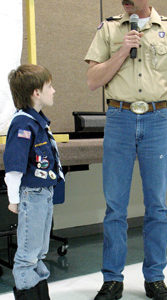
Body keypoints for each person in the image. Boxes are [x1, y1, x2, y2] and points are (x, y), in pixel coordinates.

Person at [85, 1, 167, 299]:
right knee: (115, 206)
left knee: (157, 205)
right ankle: (112, 280)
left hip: (156, 121)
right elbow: (93, 80)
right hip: (119, 118)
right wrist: (121, 50)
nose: (126, 2)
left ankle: (155, 278)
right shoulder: (110, 28)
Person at [3, 64, 64, 300]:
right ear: (36, 92)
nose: (54, 91)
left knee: (39, 252)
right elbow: (14, 167)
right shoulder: (22, 123)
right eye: (49, 86)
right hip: (32, 193)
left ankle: (40, 295)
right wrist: (14, 199)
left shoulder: (37, 121)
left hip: (43, 192)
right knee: (28, 255)